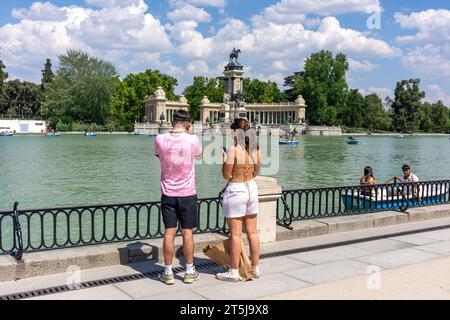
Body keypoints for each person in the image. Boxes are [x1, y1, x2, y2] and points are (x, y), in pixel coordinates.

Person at [155, 110, 202, 285]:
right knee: (187, 233)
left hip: (168, 192)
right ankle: (189, 271)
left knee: (169, 233)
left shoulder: (160, 139)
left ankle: (168, 272)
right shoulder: (193, 139)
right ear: (188, 123)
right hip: (187, 193)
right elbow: (198, 154)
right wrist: (190, 134)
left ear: (171, 121)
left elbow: (159, 156)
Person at [216, 118, 261, 282]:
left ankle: (234, 271)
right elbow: (256, 172)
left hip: (237, 189)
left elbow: (226, 175)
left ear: (236, 132)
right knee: (253, 232)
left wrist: (223, 158)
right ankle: (255, 268)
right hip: (251, 188)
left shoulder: (233, 150)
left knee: (235, 234)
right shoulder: (256, 150)